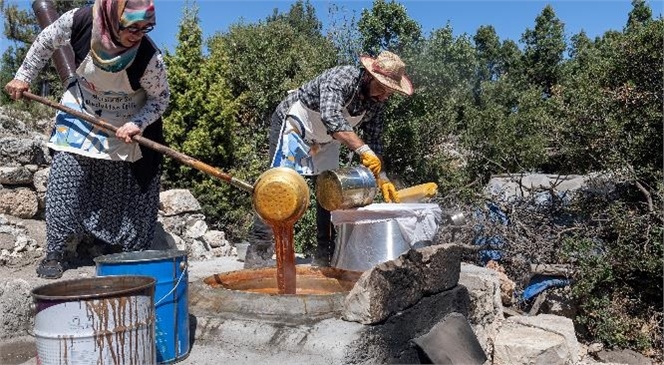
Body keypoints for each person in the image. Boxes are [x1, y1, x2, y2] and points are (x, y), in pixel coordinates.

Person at [4, 0, 170, 279]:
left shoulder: (149, 58)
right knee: (65, 178)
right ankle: (55, 252)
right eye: (132, 27)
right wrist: (23, 76)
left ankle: (115, 249)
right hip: (82, 108)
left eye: (146, 28)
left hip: (125, 121)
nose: (138, 34)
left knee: (119, 187)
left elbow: (160, 99)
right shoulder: (80, 21)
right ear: (113, 18)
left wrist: (136, 124)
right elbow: (47, 41)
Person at [245, 50, 414, 268]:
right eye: (381, 88)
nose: (383, 97)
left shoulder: (376, 104)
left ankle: (324, 254)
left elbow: (375, 141)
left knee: (330, 192)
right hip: (296, 125)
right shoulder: (342, 78)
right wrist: (363, 150)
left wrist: (381, 176)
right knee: (278, 186)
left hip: (326, 139)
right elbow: (331, 117)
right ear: (368, 76)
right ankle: (259, 252)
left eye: (389, 93)